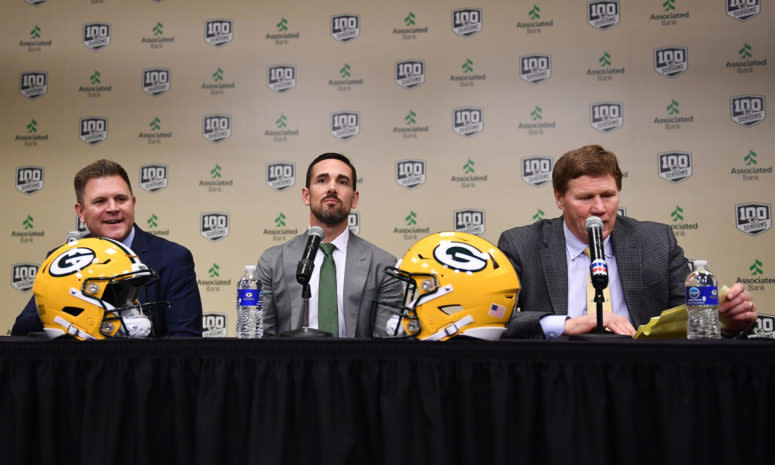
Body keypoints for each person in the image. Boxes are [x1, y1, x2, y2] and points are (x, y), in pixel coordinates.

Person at [497, 144, 757, 339]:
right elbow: (497, 319)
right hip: (559, 374)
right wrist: (566, 324)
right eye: (585, 198)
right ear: (559, 198)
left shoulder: (656, 241)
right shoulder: (522, 244)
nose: (599, 208)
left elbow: (688, 317)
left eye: (608, 195)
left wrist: (725, 321)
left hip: (640, 375)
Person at [12, 159, 203, 337]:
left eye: (121, 199)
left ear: (133, 203)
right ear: (81, 212)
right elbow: (22, 331)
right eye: (100, 201)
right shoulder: (62, 259)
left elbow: (186, 342)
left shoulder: (173, 258)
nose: (113, 208)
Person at [257, 152, 402, 337]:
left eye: (342, 182)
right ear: (306, 196)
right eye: (322, 180)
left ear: (355, 198)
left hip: (358, 366)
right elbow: (261, 341)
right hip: (291, 365)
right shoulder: (272, 262)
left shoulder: (383, 265)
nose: (332, 188)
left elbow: (387, 345)